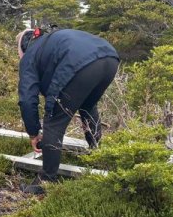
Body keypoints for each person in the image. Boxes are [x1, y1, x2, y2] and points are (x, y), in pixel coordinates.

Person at [16, 27, 120, 194]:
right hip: (110, 58)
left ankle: (46, 181)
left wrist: (34, 133)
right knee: (88, 105)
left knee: (54, 121)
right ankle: (98, 154)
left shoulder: (30, 54)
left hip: (80, 62)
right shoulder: (50, 41)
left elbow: (27, 99)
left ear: (22, 48)